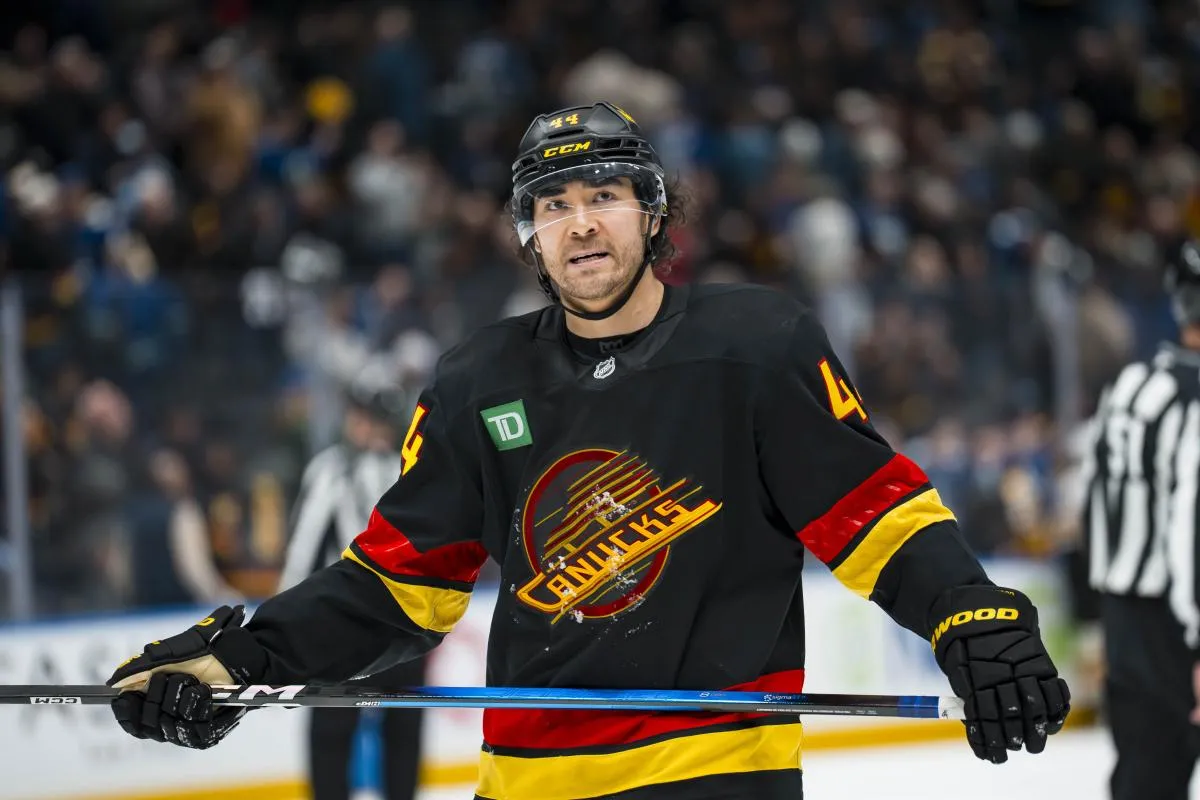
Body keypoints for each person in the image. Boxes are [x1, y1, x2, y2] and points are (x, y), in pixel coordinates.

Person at [105, 102, 1070, 800]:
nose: (580, 224)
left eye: (603, 194)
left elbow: (876, 516)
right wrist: (239, 658)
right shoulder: (476, 383)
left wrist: (970, 616)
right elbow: (395, 589)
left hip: (713, 777)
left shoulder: (756, 347)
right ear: (531, 237)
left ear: (652, 214)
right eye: (552, 205)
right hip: (528, 783)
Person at [1081, 239, 1200, 800]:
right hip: (1179, 623)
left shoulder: (1131, 382)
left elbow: (1093, 495)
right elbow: (1190, 527)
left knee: (1143, 779)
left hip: (1125, 617)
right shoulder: (1195, 398)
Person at [277, 383, 425, 800]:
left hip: (349, 627)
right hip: (398, 623)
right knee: (395, 731)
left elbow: (302, 552)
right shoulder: (409, 469)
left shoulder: (336, 469)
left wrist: (289, 617)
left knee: (345, 734)